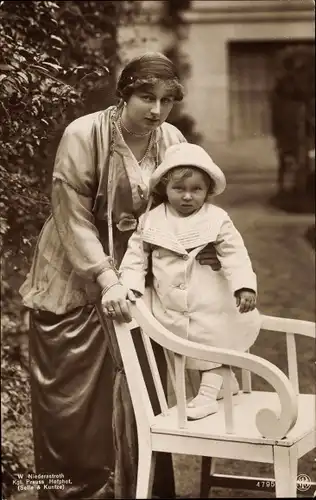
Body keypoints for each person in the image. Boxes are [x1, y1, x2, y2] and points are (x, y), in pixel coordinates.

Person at [19, 52, 222, 499]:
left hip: (136, 279)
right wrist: (104, 277)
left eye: (167, 100)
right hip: (75, 274)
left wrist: (204, 247)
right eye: (146, 97)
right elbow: (70, 210)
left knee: (139, 394)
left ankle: (140, 492)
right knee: (74, 402)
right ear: (124, 93)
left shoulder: (170, 138)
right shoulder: (85, 133)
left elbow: (186, 205)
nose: (156, 110)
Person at [119, 142, 262, 420]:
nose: (187, 197)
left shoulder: (217, 219)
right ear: (164, 188)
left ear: (207, 190)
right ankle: (225, 384)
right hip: (170, 304)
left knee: (214, 341)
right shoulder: (151, 220)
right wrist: (131, 287)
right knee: (187, 344)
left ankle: (207, 396)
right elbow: (135, 257)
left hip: (210, 298)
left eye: (196, 190)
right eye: (179, 189)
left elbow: (235, 254)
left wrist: (244, 285)